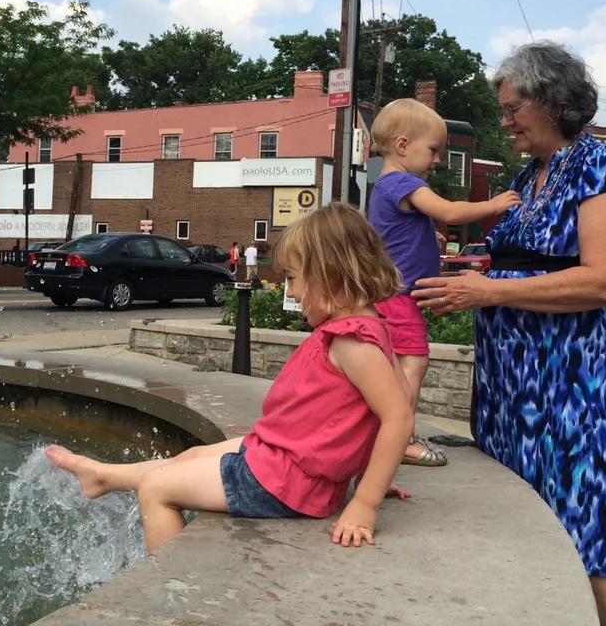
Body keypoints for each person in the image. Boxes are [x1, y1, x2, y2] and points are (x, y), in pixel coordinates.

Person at [410, 41, 606, 626]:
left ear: (552, 101)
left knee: (596, 545)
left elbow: (605, 280)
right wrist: (463, 280)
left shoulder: (600, 164)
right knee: (531, 534)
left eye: (512, 107)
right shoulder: (528, 177)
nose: (504, 121)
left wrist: (491, 292)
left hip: (575, 388)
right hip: (514, 392)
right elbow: (525, 260)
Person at [46, 203, 415, 554]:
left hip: (284, 480)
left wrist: (366, 500)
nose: (291, 292)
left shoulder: (353, 342)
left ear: (330, 275)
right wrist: (371, 475)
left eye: (292, 279)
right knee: (189, 456)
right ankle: (103, 475)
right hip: (281, 458)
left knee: (156, 489)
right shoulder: (371, 329)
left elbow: (396, 417)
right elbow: (373, 412)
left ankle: (175, 600)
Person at [368, 98, 520, 466]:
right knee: (413, 365)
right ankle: (400, 438)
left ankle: (384, 433)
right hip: (400, 296)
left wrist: (426, 238)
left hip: (390, 293)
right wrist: (495, 204)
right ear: (403, 146)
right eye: (434, 150)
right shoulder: (404, 182)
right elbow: (450, 211)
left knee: (396, 364)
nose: (437, 159)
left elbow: (388, 233)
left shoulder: (383, 186)